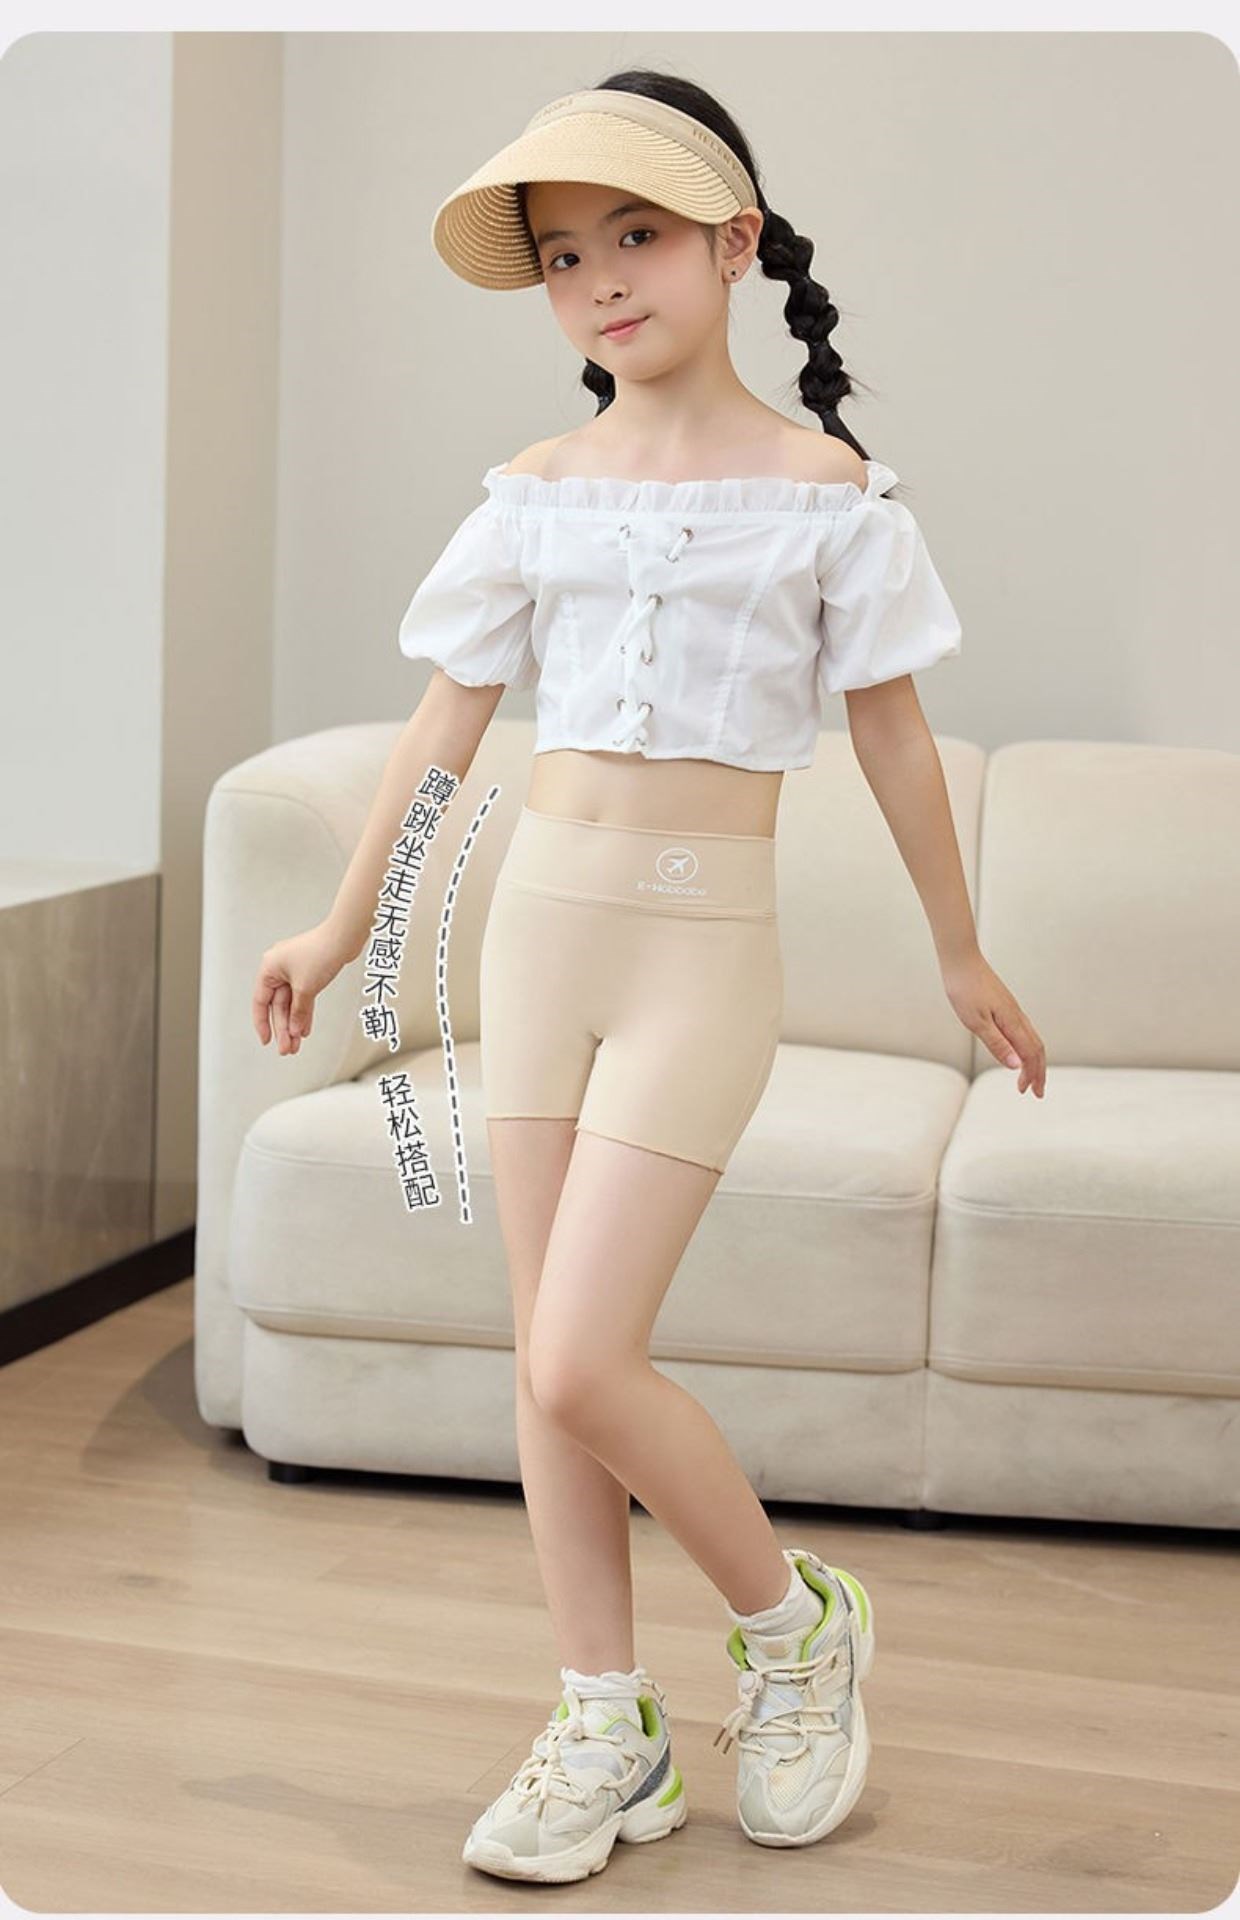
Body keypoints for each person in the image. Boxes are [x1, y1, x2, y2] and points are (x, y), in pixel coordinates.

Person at [252, 69, 1047, 1887]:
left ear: (732, 243)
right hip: (541, 938)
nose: (600, 278)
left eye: (637, 235)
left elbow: (896, 738)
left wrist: (958, 947)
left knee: (581, 1352)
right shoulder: (531, 497)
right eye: (562, 257)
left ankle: (794, 1627)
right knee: (545, 1372)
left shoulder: (831, 497)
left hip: (703, 953)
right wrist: (342, 925)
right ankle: (605, 1718)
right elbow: (443, 733)